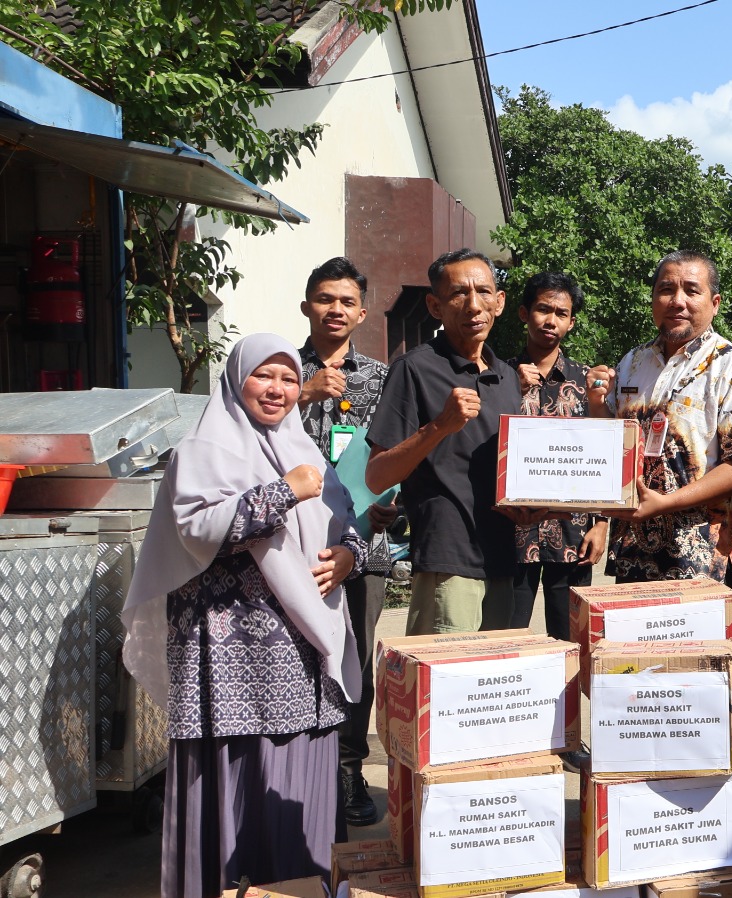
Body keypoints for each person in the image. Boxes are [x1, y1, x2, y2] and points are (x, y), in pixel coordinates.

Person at [122, 334, 367, 898]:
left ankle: (298, 887)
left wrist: (349, 555)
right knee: (233, 776)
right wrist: (283, 492)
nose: (277, 389)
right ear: (236, 380)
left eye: (287, 378)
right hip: (228, 655)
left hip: (301, 651)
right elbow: (198, 529)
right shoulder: (203, 450)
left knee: (296, 778)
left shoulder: (305, 448)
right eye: (264, 376)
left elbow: (346, 518)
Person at [586, 250, 732, 600]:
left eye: (691, 290)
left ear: (714, 302)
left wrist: (665, 503)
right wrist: (597, 405)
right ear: (653, 298)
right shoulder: (633, 361)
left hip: (702, 558)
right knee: (633, 656)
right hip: (633, 554)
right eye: (666, 289)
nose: (677, 301)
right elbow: (606, 444)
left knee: (699, 657)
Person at [366, 248, 521, 635]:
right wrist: (439, 426)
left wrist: (534, 508)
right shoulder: (414, 368)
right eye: (458, 294)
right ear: (435, 306)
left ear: (499, 303)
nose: (473, 305)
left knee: (492, 689)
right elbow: (377, 476)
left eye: (484, 292)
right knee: (444, 689)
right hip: (448, 558)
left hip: (503, 555)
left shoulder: (507, 377)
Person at [295, 256, 394, 831]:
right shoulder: (278, 371)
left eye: (345, 301)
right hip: (289, 544)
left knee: (356, 657)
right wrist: (304, 394)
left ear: (361, 311)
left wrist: (392, 503)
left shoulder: (382, 378)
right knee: (295, 655)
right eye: (324, 298)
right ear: (306, 304)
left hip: (363, 542)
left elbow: (395, 454)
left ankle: (349, 767)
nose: (335, 309)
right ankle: (298, 767)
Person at [509, 271, 608, 637]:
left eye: (561, 313)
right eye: (543, 309)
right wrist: (509, 391)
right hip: (510, 535)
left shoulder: (588, 384)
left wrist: (601, 523)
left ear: (571, 322)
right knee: (505, 639)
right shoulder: (497, 377)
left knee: (570, 642)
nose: (551, 320)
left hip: (573, 535)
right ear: (523, 313)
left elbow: (604, 455)